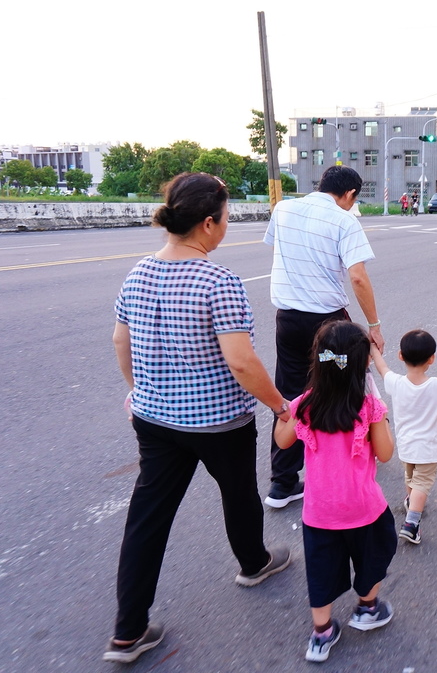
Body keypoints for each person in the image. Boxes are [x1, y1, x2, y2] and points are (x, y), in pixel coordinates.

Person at [107, 173, 292, 663]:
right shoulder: (219, 280)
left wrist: (137, 392)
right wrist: (280, 405)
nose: (226, 227)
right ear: (208, 224)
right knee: (237, 493)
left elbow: (121, 342)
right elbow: (242, 363)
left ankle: (128, 630)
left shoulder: (137, 273)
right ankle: (253, 564)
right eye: (226, 219)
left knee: (148, 516)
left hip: (154, 419)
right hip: (216, 421)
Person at [273, 320, 396, 663]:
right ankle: (368, 609)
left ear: (318, 360)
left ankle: (322, 633)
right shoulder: (369, 407)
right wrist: (380, 420)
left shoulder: (307, 404)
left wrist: (289, 411)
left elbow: (282, 441)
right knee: (373, 557)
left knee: (322, 570)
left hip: (319, 514)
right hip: (364, 510)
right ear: (363, 363)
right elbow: (385, 454)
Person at [263, 165, 384, 509]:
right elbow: (358, 277)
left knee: (289, 393)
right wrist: (374, 325)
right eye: (353, 200)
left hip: (287, 322)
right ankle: (348, 460)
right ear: (349, 194)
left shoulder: (283, 208)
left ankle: (282, 483)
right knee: (341, 384)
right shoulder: (345, 220)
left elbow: (281, 252)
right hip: (328, 327)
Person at [369, 329, 437, 544]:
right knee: (422, 482)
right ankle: (412, 523)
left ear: (401, 356)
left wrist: (373, 348)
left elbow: (382, 368)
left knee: (411, 476)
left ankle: (411, 500)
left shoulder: (396, 382)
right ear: (432, 359)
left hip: (405, 446)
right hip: (428, 449)